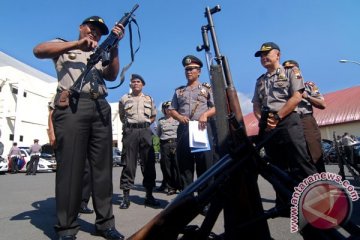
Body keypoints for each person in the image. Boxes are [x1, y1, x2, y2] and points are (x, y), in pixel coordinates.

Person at [33, 16, 125, 240]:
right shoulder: (63, 45)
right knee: (71, 168)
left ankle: (105, 223)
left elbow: (111, 75)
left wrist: (114, 47)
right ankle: (66, 227)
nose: (94, 33)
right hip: (74, 105)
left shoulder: (101, 51)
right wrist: (77, 44)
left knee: (102, 169)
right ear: (81, 28)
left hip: (100, 106)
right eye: (91, 28)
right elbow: (38, 50)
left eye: (99, 32)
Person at [252, 42, 317, 212]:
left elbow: (296, 97)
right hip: (268, 126)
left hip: (288, 121)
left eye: (267, 53)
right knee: (276, 165)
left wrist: (278, 116)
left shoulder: (290, 72)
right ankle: (284, 203)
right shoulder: (260, 81)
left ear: (278, 55)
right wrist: (263, 121)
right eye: (261, 55)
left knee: (300, 161)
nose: (263, 57)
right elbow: (256, 105)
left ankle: (316, 200)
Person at [168, 55, 216, 191]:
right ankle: (186, 198)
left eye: (192, 69)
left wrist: (205, 114)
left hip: (201, 128)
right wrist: (179, 117)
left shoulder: (206, 89)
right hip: (184, 129)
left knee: (204, 164)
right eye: (187, 69)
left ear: (199, 71)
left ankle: (204, 199)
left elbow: (216, 106)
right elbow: (172, 109)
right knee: (185, 164)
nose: (189, 71)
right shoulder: (179, 91)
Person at [118, 74, 159, 209]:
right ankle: (125, 197)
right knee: (128, 163)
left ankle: (149, 195)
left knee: (148, 162)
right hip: (131, 132)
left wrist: (145, 125)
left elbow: (153, 116)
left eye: (138, 82)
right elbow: (122, 116)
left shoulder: (149, 99)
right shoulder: (124, 99)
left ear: (143, 85)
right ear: (130, 85)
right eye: (133, 82)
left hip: (146, 131)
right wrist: (132, 127)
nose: (136, 83)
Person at [283, 60, 327, 173]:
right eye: (286, 69)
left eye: (292, 68)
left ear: (298, 70)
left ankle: (322, 184)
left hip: (305, 120)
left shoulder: (308, 85)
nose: (289, 71)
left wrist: (307, 96)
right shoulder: (280, 88)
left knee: (314, 154)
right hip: (288, 121)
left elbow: (322, 104)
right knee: (294, 157)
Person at [157, 101, 180, 195]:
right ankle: (170, 187)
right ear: (164, 110)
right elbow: (158, 133)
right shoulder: (161, 121)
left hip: (176, 143)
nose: (168, 110)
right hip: (165, 144)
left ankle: (180, 185)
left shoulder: (178, 119)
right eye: (166, 108)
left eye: (170, 108)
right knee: (167, 167)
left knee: (178, 166)